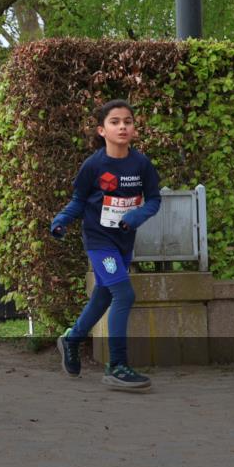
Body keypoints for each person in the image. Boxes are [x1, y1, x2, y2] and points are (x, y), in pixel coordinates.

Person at [50, 99, 162, 391]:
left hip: (124, 242)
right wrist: (61, 220)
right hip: (99, 242)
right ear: (102, 130)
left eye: (128, 121)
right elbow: (78, 201)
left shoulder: (141, 164)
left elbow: (154, 200)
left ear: (134, 128)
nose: (122, 126)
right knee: (123, 294)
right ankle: (117, 366)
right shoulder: (94, 165)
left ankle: (72, 339)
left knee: (103, 296)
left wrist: (136, 216)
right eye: (115, 122)